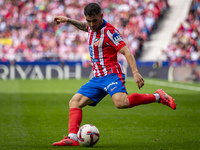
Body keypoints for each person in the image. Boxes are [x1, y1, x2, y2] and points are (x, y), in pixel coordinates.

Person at [53, 3, 176, 146]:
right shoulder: (91, 27)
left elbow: (126, 52)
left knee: (121, 102)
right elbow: (83, 26)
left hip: (112, 75)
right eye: (89, 21)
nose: (91, 25)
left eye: (94, 21)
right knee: (74, 102)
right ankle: (72, 138)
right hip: (97, 78)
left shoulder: (110, 32)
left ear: (102, 16)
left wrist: (135, 73)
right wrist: (68, 20)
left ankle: (158, 96)